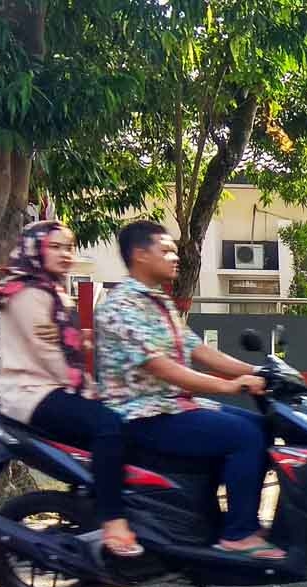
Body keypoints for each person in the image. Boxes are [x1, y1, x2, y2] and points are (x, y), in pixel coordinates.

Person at [93, 220, 285, 560]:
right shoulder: (121, 307)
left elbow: (199, 350)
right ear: (139, 255)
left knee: (261, 427)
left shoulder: (159, 302)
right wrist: (229, 386)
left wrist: (259, 371)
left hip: (174, 406)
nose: (174, 257)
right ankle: (239, 535)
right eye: (165, 250)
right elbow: (163, 368)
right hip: (144, 415)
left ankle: (215, 519)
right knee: (244, 436)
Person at [0, 220, 142, 558]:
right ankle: (112, 519)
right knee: (109, 426)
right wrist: (86, 388)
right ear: (35, 249)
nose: (65, 254)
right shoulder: (30, 293)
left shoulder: (49, 289)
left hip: (48, 387)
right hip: (34, 394)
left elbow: (65, 343)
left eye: (69, 247)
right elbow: (48, 352)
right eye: (55, 246)